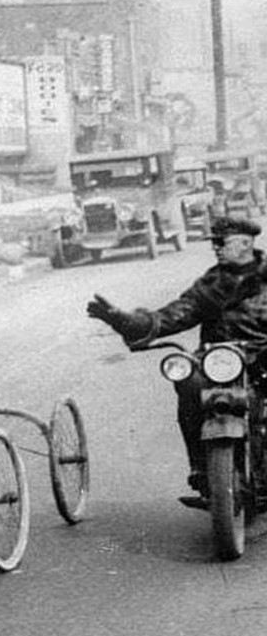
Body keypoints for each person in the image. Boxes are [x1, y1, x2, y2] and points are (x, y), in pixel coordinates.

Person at [87, 215, 267, 508]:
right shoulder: (211, 284)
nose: (217, 248)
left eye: (222, 242)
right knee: (188, 384)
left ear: (246, 243)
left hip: (262, 358)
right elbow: (175, 314)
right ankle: (202, 470)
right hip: (218, 362)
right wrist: (126, 321)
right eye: (214, 243)